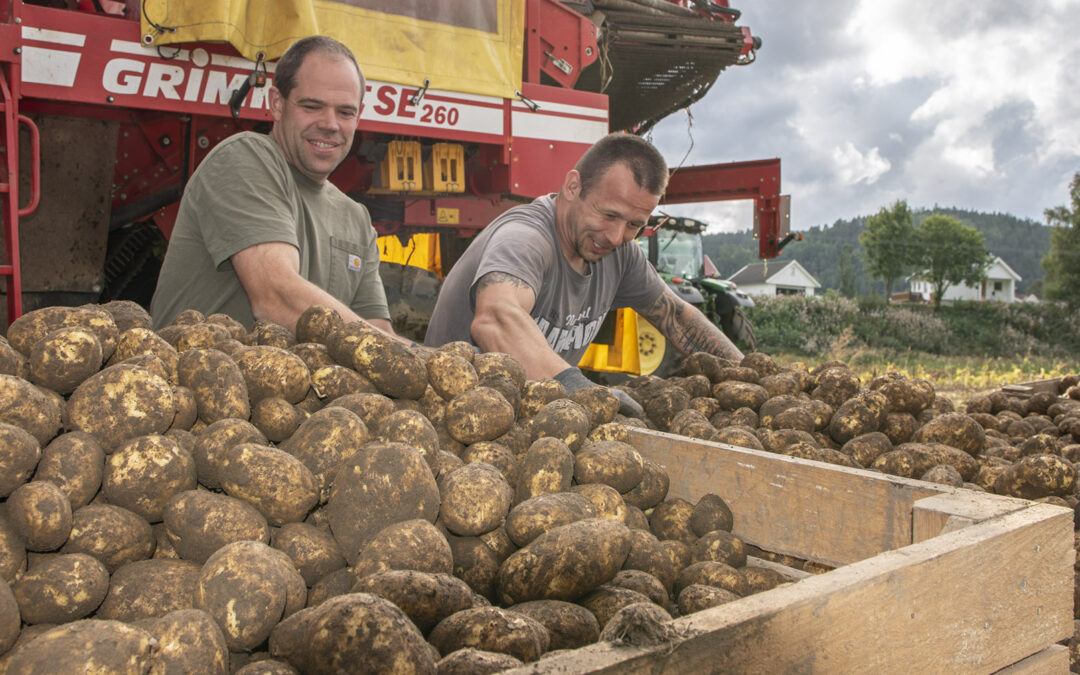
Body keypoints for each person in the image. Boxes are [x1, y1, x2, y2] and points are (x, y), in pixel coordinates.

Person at [424, 133, 743, 416]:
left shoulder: (621, 254)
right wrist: (579, 390)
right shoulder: (525, 238)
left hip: (536, 415)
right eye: (609, 215)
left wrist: (748, 375)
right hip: (455, 417)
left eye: (634, 225)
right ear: (573, 187)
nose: (616, 236)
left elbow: (677, 318)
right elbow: (496, 318)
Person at [151, 35, 399, 340]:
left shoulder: (356, 218)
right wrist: (406, 355)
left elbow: (379, 332)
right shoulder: (244, 158)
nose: (330, 124)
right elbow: (276, 297)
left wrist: (424, 356)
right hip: (195, 369)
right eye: (312, 106)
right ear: (277, 104)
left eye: (345, 112)